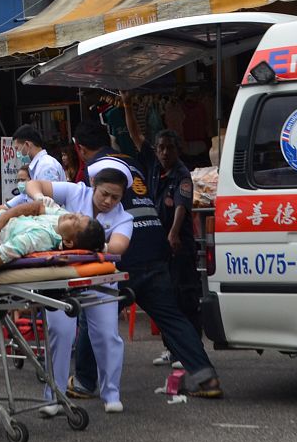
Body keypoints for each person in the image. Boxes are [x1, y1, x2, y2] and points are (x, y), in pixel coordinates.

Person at [69, 119, 223, 401]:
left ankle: (82, 381)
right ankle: (205, 377)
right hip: (155, 244)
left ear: (80, 149)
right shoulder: (132, 161)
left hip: (125, 248)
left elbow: (89, 216)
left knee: (94, 313)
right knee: (172, 317)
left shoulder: (97, 172)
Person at [22, 163, 133, 415]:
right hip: (61, 279)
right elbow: (33, 185)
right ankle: (54, 396)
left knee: (107, 335)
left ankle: (111, 393)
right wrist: (43, 200)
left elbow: (117, 246)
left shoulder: (123, 218)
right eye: (104, 193)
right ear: (93, 185)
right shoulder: (75, 192)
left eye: (115, 197)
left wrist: (89, 247)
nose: (108, 201)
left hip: (99, 280)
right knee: (60, 333)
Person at [126, 112, 203, 339]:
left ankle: (192, 346)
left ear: (177, 150)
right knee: (166, 297)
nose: (165, 152)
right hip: (161, 247)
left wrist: (173, 234)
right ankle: (173, 349)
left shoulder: (181, 174)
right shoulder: (154, 165)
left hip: (179, 247)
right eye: (161, 148)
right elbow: (136, 136)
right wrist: (128, 105)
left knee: (185, 297)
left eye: (169, 148)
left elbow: (181, 205)